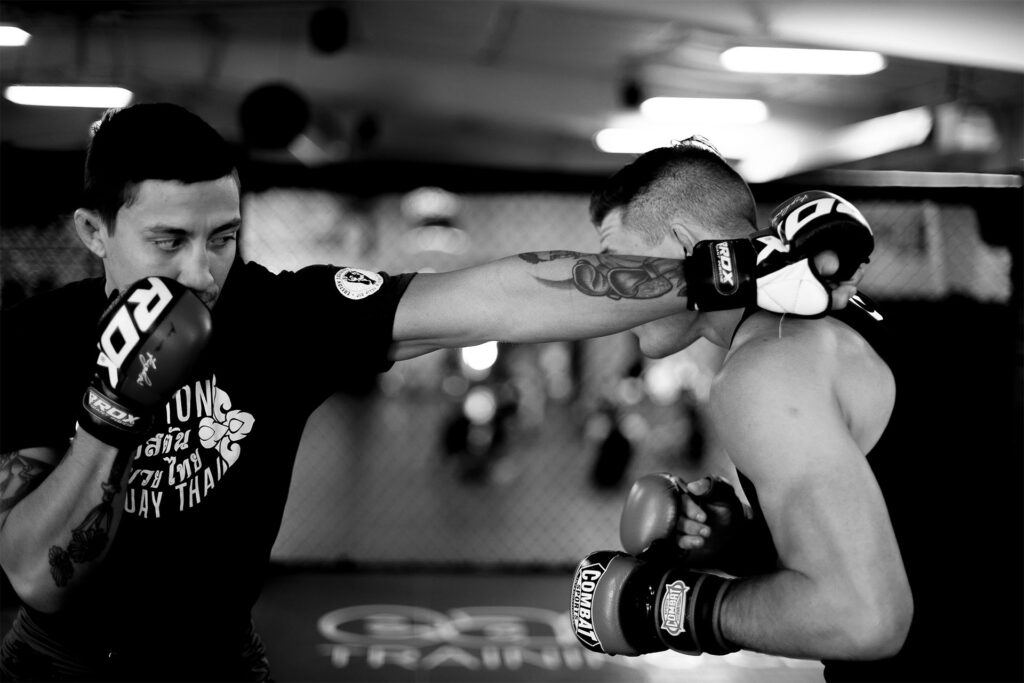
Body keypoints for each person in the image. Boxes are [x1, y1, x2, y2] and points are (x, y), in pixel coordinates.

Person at [0, 104, 862, 682]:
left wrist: (735, 266)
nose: (202, 271)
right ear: (92, 231)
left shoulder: (275, 315)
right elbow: (39, 575)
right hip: (64, 665)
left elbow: (501, 292)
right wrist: (108, 418)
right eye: (167, 240)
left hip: (219, 663)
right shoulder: (41, 343)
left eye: (222, 236)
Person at [568, 136, 937, 681]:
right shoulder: (826, 321)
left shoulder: (767, 366)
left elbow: (865, 620)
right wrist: (741, 541)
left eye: (615, 262)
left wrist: (675, 609)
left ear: (683, 245)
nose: (611, 291)